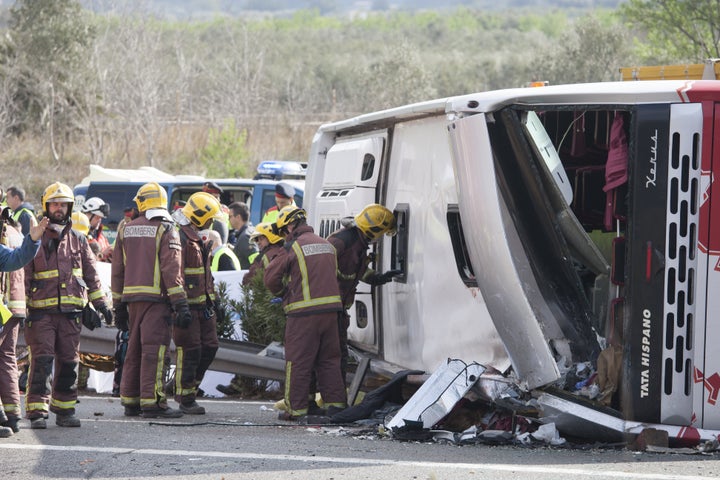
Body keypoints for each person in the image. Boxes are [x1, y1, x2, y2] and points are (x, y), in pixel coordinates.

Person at [23, 182, 113, 429]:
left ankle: (64, 410)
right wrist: (21, 309)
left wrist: (101, 305)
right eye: (55, 204)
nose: (59, 208)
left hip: (71, 315)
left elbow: (92, 276)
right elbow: (24, 274)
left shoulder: (79, 240)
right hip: (41, 314)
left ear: (70, 207)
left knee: (69, 363)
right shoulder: (34, 239)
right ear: (46, 206)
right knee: (42, 362)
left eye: (63, 204)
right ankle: (37, 412)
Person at [111, 182, 188, 419]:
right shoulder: (166, 229)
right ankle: (153, 402)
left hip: (132, 301)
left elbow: (117, 270)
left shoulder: (126, 229)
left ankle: (130, 400)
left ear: (142, 202)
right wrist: (181, 302)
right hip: (158, 301)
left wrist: (118, 305)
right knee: (154, 352)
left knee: (133, 350)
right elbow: (171, 269)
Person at [264, 206, 347, 420]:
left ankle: (297, 410)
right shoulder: (326, 244)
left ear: (290, 226)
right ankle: (336, 406)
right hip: (332, 313)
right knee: (329, 360)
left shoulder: (294, 246)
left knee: (298, 361)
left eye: (283, 231)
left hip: (304, 314)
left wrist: (284, 293)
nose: (284, 236)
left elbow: (270, 278)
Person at [328, 204, 400, 385]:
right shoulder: (343, 243)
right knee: (334, 356)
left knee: (335, 354)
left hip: (337, 308)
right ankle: (331, 400)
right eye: (382, 233)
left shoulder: (356, 243)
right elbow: (323, 271)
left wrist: (379, 278)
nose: (380, 238)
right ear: (374, 230)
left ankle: (328, 397)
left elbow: (356, 271)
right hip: (329, 309)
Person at [216, 222, 284, 396]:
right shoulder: (283, 253)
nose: (258, 243)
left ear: (270, 237)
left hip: (266, 310)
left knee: (252, 347)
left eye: (260, 239)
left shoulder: (266, 257)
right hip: (280, 309)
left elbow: (248, 280)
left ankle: (239, 386)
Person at [170, 192, 221, 414]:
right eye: (209, 218)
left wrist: (215, 300)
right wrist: (179, 305)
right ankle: (185, 397)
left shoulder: (199, 238)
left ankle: (188, 386)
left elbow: (206, 274)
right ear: (200, 217)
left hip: (203, 306)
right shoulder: (180, 237)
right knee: (190, 351)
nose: (211, 223)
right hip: (187, 307)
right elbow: (175, 273)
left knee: (210, 348)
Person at [227, 201, 257, 269]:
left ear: (238, 217)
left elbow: (256, 260)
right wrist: (235, 249)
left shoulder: (245, 236)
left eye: (230, 216)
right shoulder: (250, 231)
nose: (228, 220)